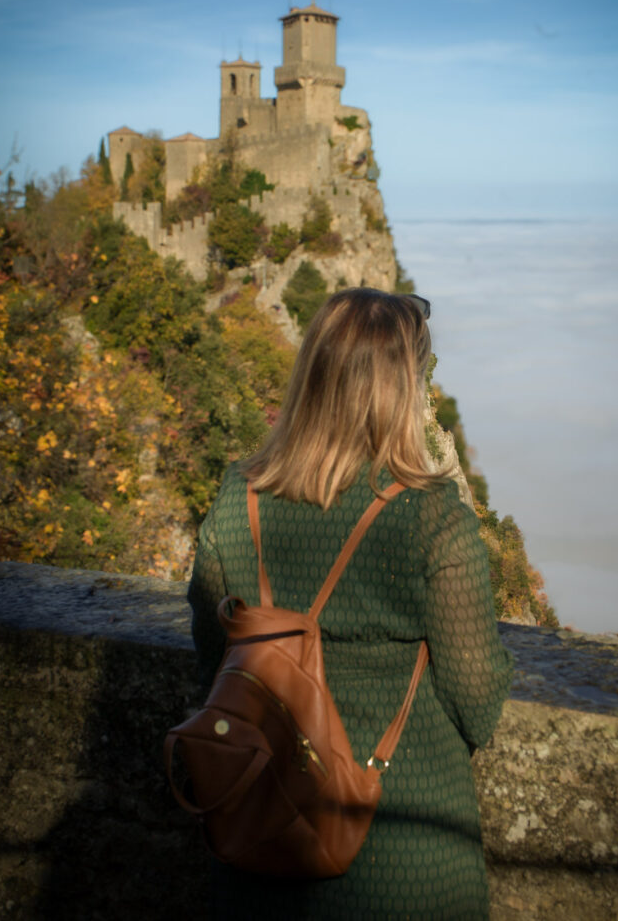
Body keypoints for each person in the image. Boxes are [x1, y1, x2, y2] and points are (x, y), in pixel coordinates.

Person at [188, 287, 513, 919]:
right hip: (404, 833)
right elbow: (478, 698)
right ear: (403, 388)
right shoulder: (432, 517)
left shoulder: (238, 499)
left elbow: (211, 659)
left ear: (312, 374)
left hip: (261, 818)